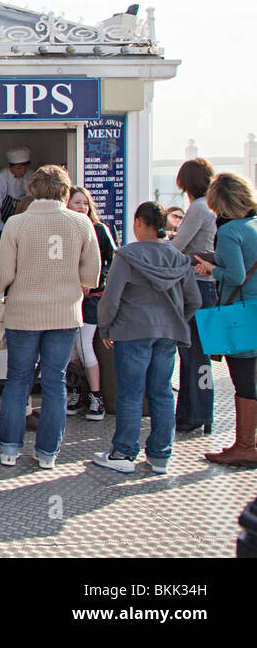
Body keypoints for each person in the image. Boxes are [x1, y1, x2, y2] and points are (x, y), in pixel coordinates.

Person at [0, 165, 100, 468]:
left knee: (17, 380)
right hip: (65, 314)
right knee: (55, 381)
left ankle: (9, 450)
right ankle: (47, 454)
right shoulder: (81, 223)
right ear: (66, 191)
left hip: (23, 313)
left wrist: (7, 286)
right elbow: (92, 274)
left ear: (33, 189)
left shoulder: (17, 224)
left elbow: (3, 272)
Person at [92, 202, 200, 474]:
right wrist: (175, 320)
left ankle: (124, 454)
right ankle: (160, 455)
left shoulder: (127, 256)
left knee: (130, 393)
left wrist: (105, 328)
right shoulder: (179, 258)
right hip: (168, 334)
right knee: (162, 392)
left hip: (132, 332)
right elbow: (194, 300)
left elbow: (110, 299)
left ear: (139, 221)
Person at [191, 172, 257, 468]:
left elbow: (236, 276)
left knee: (243, 381)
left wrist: (210, 267)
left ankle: (245, 445)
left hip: (240, 315)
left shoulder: (230, 231)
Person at [171, 158, 217, 435]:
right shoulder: (212, 207)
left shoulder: (198, 208)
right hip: (208, 286)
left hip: (195, 287)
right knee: (202, 355)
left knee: (191, 355)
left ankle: (193, 414)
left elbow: (177, 247)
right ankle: (201, 412)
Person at [65, 186, 118, 420]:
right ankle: (75, 393)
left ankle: (97, 398)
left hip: (92, 299)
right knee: (72, 349)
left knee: (85, 345)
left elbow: (112, 260)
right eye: (77, 202)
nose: (82, 207)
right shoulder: (63, 229)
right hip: (68, 297)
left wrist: (95, 281)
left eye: (85, 203)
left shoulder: (99, 229)